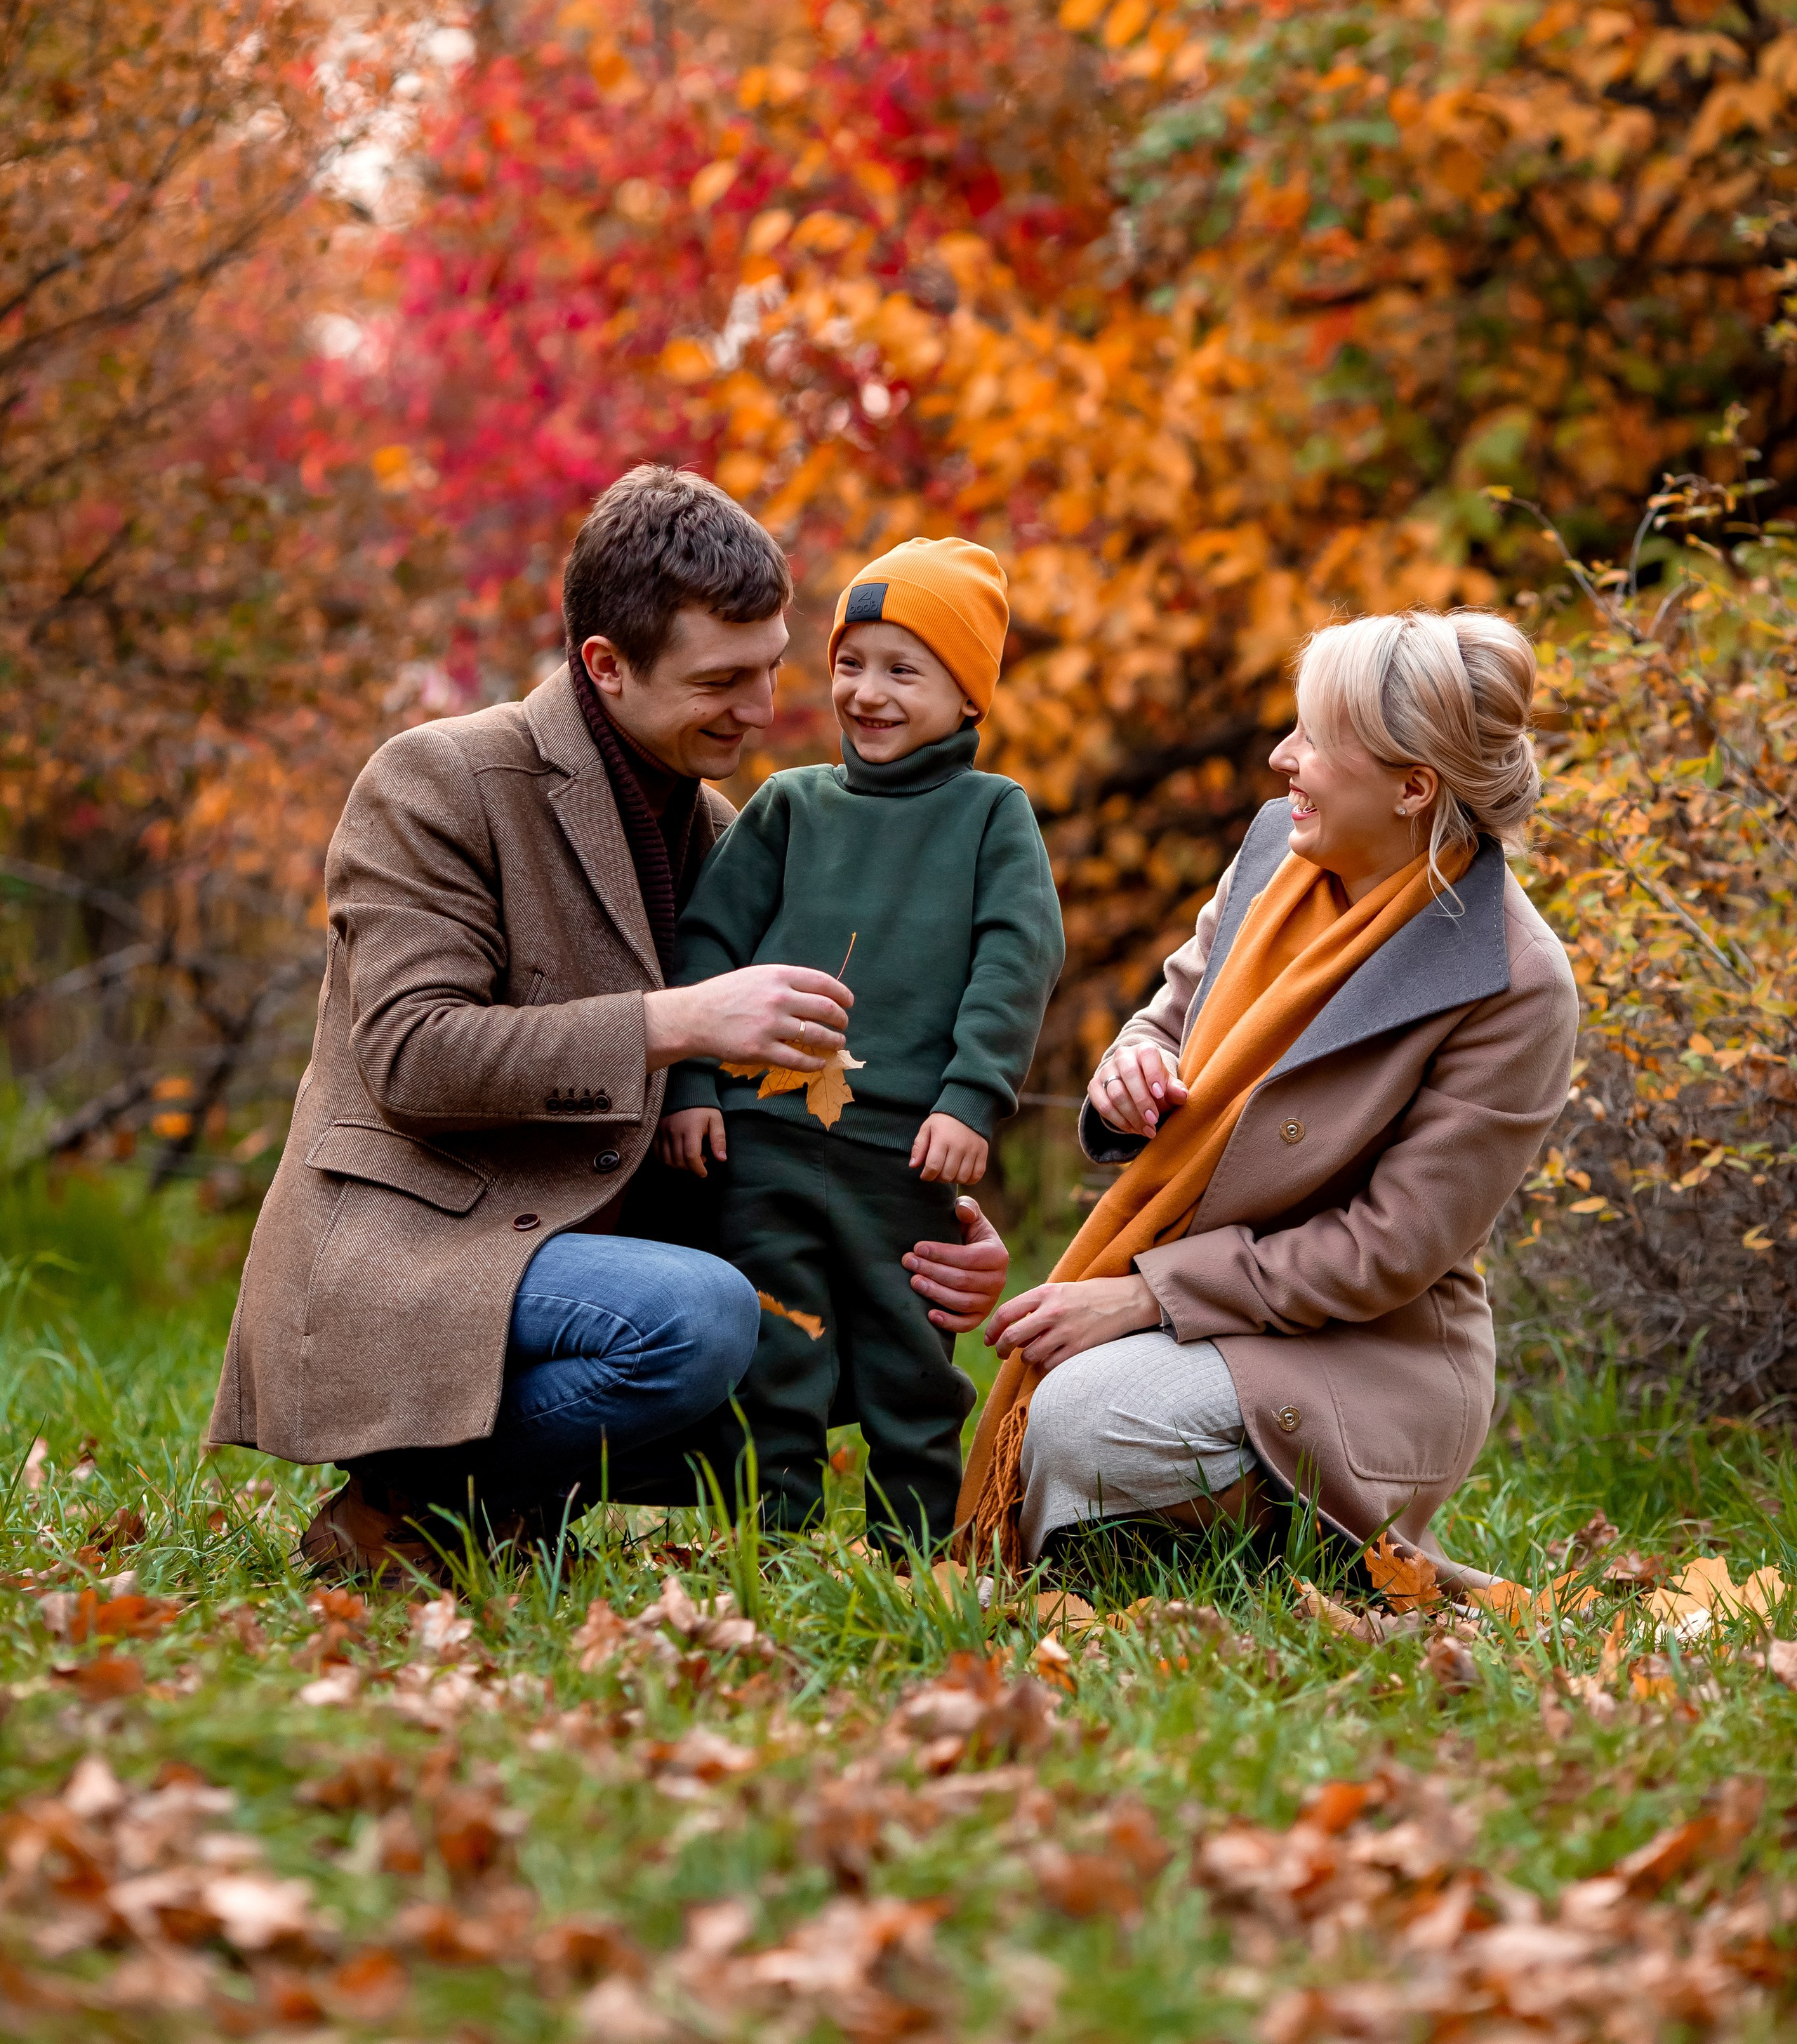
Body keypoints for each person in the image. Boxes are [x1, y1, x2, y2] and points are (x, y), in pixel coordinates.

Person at [206, 467, 1009, 1580]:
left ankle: (485, 1508)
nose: (763, 710)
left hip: (597, 1241)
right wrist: (671, 1022)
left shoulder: (724, 822)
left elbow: (771, 1108)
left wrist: (914, 1223)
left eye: (774, 667)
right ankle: (426, 1503)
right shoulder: (439, 780)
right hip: (430, 1245)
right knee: (705, 1319)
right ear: (606, 666)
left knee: (837, 1335)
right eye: (721, 681)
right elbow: (410, 1053)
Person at [957, 606, 1579, 1590]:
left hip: (1367, 1352)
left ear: (1413, 787)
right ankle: (1148, 1546)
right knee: (1065, 1408)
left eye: (1314, 742)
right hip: (1216, 1298)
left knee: (1081, 1418)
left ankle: (1295, 1549)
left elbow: (1388, 1249)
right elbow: (1169, 1017)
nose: (1284, 760)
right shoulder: (1275, 856)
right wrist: (1131, 1068)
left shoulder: (1514, 980)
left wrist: (1149, 1298)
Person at [657, 537, 1066, 1552]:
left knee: (909, 1358)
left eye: (903, 669)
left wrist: (971, 1099)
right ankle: (775, 1549)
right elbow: (707, 942)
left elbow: (1016, 960)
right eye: (850, 663)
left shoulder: (990, 817)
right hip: (763, 1143)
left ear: (968, 697)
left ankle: (916, 1551)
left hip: (906, 1151)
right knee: (775, 1351)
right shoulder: (791, 806)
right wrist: (692, 1087)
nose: (868, 693)